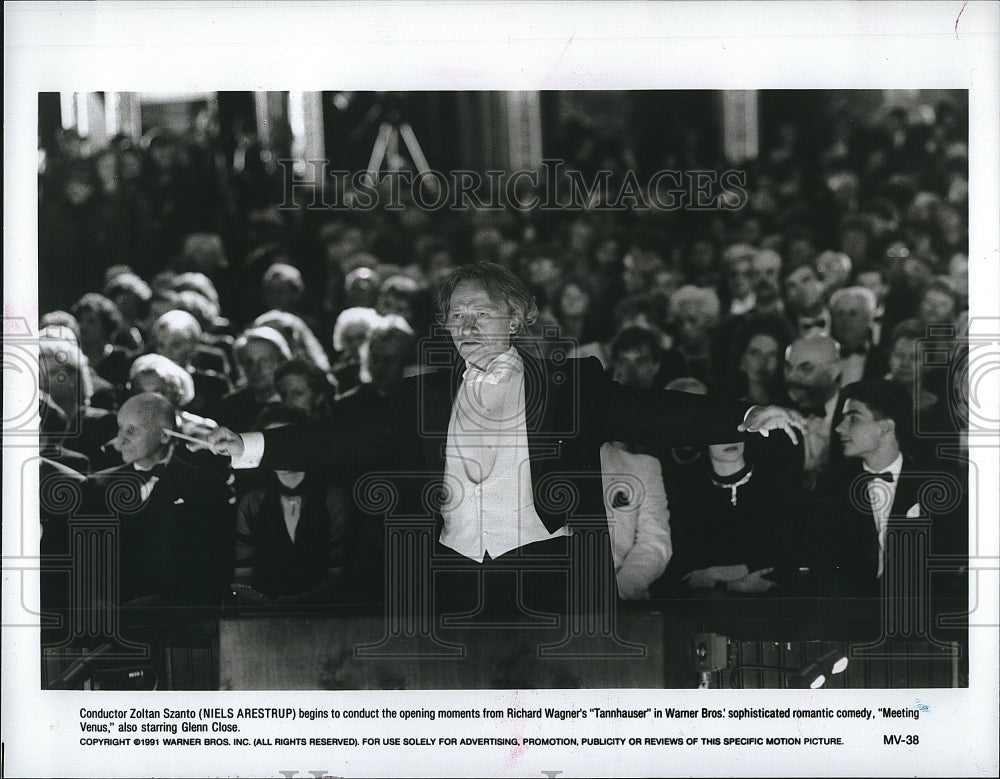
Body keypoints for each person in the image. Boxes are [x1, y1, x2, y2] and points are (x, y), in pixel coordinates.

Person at [207, 262, 802, 619]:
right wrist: (248, 445)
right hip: (451, 574)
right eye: (453, 318)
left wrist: (744, 416)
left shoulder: (570, 385)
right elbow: (343, 438)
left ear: (515, 317)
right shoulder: (425, 397)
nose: (463, 329)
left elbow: (652, 412)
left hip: (554, 571)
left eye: (478, 315)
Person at [83, 393, 234, 612]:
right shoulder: (97, 486)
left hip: (182, 617)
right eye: (120, 428)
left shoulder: (206, 485)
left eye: (132, 430)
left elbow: (213, 563)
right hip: (114, 618)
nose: (121, 439)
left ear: (165, 436)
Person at [815, 380, 965, 599]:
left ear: (886, 426)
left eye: (853, 418)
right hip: (850, 618)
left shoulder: (937, 485)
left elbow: (947, 570)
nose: (840, 427)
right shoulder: (831, 487)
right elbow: (825, 569)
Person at [232, 406, 350, 605]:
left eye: (287, 442)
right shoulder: (252, 503)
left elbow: (340, 574)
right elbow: (242, 573)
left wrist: (299, 602)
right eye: (273, 443)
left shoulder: (334, 499)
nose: (280, 451)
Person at [783, 333, 844, 483]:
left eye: (806, 369)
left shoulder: (853, 413)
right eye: (788, 368)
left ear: (834, 370)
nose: (792, 377)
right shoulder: (776, 411)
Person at [829, 286, 887, 385]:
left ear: (869, 318)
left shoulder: (884, 359)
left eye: (853, 313)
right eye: (839, 314)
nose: (845, 320)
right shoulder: (825, 359)